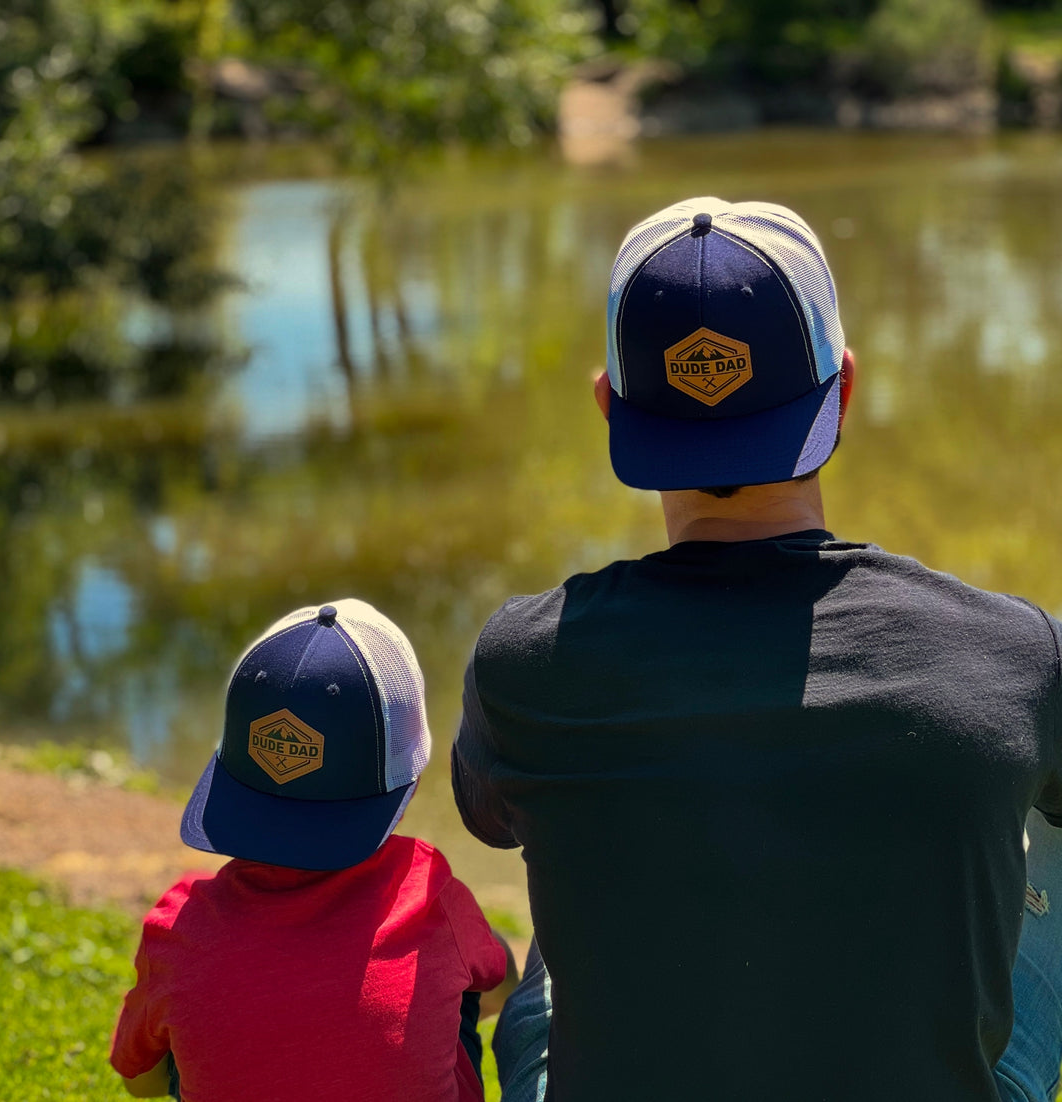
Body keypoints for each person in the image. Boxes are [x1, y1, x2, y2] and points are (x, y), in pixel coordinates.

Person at [452, 198, 1062, 1102]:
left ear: (610, 407)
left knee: (561, 874)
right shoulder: (1016, 654)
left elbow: (488, 819)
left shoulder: (522, 664)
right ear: (843, 388)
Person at [111, 599, 515, 1101]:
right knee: (475, 977)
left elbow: (139, 1082)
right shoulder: (427, 887)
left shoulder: (178, 927)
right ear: (403, 786)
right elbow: (501, 982)